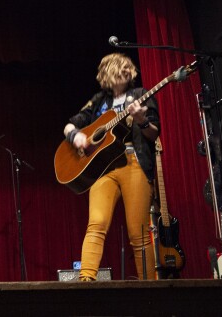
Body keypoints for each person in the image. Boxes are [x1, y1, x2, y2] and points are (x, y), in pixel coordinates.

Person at [63, 53, 159, 281]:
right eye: (120, 69)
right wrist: (75, 136)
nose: (126, 73)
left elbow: (154, 133)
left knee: (138, 233)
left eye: (128, 70)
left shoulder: (140, 95)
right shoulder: (99, 101)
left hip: (133, 163)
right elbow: (70, 124)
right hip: (104, 170)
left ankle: (150, 288)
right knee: (96, 224)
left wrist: (141, 120)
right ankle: (86, 281)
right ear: (108, 73)